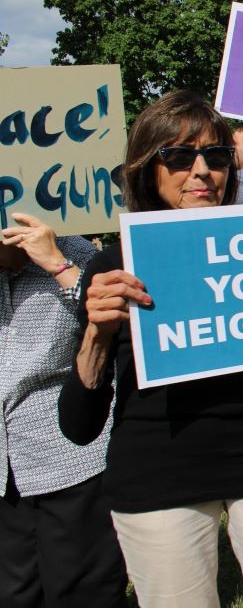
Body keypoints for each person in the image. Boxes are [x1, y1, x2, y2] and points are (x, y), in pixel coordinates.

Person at [59, 90, 243, 607]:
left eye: (216, 157)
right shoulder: (112, 267)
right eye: (178, 156)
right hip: (158, 478)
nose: (202, 171)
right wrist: (96, 335)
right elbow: (78, 426)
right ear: (148, 168)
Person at [0, 213, 127, 608]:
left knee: (83, 592)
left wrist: (55, 263)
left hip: (71, 462)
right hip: (6, 473)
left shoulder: (73, 253)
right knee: (15, 594)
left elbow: (120, 329)